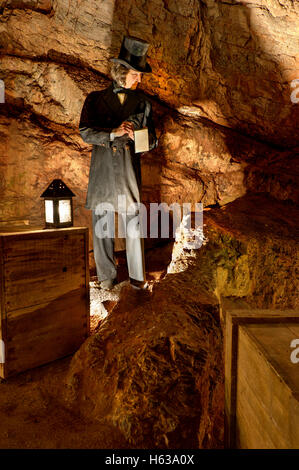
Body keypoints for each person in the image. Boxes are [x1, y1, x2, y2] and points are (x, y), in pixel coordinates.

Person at [79, 36, 158, 290]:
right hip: (102, 171)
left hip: (127, 171)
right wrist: (112, 133)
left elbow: (153, 141)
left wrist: (139, 137)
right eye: (137, 74)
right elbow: (85, 132)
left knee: (133, 223)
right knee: (102, 225)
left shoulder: (144, 104)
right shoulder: (94, 100)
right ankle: (105, 280)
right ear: (123, 72)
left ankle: (137, 280)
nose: (140, 79)